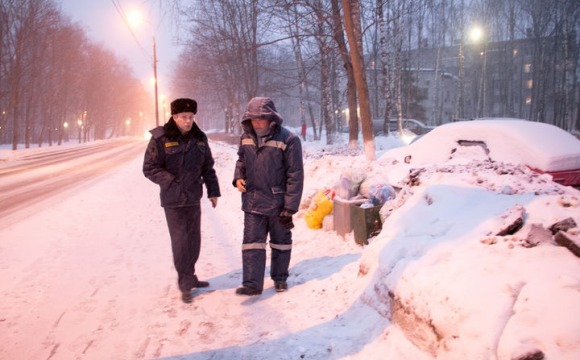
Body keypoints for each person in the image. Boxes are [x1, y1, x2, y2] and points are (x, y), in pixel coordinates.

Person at [143, 98, 221, 303]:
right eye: (184, 117)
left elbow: (208, 168)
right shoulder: (161, 138)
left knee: (194, 240)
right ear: (174, 117)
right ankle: (185, 282)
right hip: (173, 200)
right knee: (180, 242)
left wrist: (213, 191)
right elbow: (149, 168)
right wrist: (171, 181)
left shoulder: (200, 138)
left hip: (193, 197)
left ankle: (190, 275)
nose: (188, 121)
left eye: (191, 117)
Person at [233, 97, 304, 296]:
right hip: (252, 200)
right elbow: (241, 160)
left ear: (271, 118)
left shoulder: (289, 140)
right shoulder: (246, 137)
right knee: (252, 243)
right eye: (253, 119)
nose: (257, 123)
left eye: (261, 119)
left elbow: (295, 174)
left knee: (280, 242)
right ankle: (252, 284)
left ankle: (280, 278)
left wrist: (290, 207)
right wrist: (238, 177)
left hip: (278, 203)